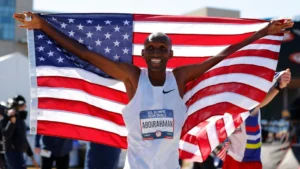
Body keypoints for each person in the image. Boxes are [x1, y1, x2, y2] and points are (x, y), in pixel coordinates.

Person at [13, 12, 294, 169]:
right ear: (143, 53)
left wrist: (265, 31)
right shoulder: (133, 77)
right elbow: (85, 54)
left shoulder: (180, 78)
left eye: (162, 48)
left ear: (171, 53)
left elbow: (222, 56)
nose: (156, 52)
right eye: (151, 48)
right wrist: (42, 25)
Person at [222, 69, 291, 169]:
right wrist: (278, 86)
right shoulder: (237, 102)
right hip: (238, 161)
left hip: (250, 160)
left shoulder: (248, 102)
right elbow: (255, 105)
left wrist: (278, 86)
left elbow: (256, 105)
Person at [2, 95, 38, 169]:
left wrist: (31, 156)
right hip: (11, 153)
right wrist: (11, 122)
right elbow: (5, 135)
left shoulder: (21, 120)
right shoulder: (7, 118)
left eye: (24, 105)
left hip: (20, 152)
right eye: (21, 105)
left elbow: (23, 138)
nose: (24, 107)